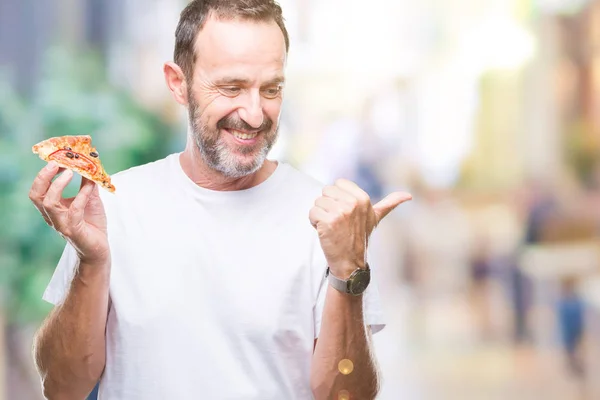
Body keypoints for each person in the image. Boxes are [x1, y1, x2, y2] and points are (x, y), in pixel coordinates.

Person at [28, 1, 411, 399]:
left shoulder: (327, 223)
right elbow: (62, 387)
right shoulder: (114, 208)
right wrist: (91, 262)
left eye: (271, 89)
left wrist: (349, 272)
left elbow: (346, 396)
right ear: (178, 83)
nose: (254, 114)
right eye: (231, 88)